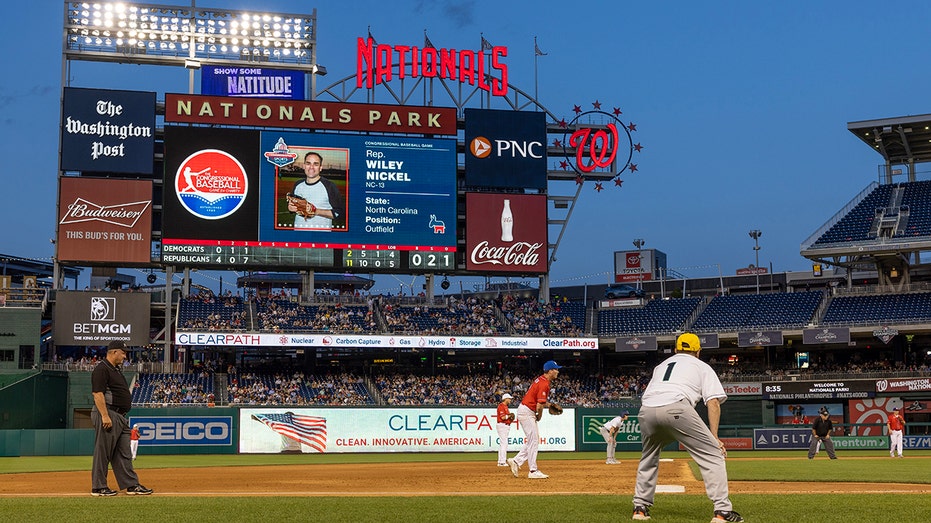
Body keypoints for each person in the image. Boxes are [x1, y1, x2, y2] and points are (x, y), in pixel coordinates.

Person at [631, 333, 743, 523]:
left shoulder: (661, 366)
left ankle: (640, 509)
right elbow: (713, 402)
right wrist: (714, 436)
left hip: (647, 410)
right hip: (676, 407)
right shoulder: (702, 366)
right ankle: (722, 511)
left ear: (676, 350)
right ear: (698, 351)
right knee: (713, 454)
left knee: (649, 456)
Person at [91, 340, 153, 496]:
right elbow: (97, 394)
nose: (125, 355)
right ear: (113, 352)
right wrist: (105, 416)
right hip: (108, 413)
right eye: (123, 352)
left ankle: (131, 485)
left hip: (119, 416)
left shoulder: (115, 370)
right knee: (103, 452)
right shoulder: (102, 369)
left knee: (124, 452)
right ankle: (98, 487)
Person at [507, 360, 562, 479]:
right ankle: (532, 471)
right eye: (556, 369)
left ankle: (516, 461)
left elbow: (539, 401)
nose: (558, 371)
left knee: (533, 440)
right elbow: (539, 405)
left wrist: (549, 405)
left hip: (526, 410)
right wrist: (539, 416)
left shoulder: (541, 380)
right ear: (550, 371)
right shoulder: (544, 383)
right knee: (534, 441)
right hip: (527, 412)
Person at [288, 151, 345, 229]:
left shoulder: (329, 186)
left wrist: (316, 211)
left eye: (315, 164)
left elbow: (340, 213)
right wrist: (291, 208)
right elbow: (293, 206)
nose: (311, 167)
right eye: (308, 163)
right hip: (299, 234)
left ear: (320, 168)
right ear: (304, 166)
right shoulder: (298, 184)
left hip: (321, 237)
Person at [495, 393, 515, 466]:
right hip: (502, 425)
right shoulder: (501, 406)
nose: (510, 400)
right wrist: (509, 416)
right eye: (509, 399)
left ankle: (500, 461)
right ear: (505, 399)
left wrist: (510, 419)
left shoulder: (505, 406)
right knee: (504, 443)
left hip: (505, 425)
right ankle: (502, 462)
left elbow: (507, 418)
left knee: (503, 443)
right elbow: (503, 417)